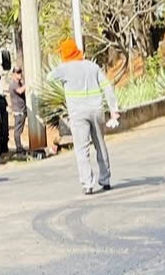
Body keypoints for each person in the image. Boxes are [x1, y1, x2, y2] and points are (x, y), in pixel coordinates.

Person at [47, 38, 119, 195]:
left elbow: (50, 77)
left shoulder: (64, 69)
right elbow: (107, 87)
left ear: (65, 54)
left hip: (78, 114)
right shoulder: (92, 66)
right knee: (100, 145)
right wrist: (113, 109)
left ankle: (88, 184)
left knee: (81, 149)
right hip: (97, 110)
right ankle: (105, 179)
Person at [8, 65, 27, 156]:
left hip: (22, 110)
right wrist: (28, 84)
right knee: (17, 131)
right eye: (18, 72)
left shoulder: (19, 83)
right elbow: (20, 91)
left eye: (20, 72)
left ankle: (20, 147)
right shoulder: (13, 84)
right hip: (18, 111)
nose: (20, 74)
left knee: (19, 130)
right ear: (14, 74)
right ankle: (19, 148)